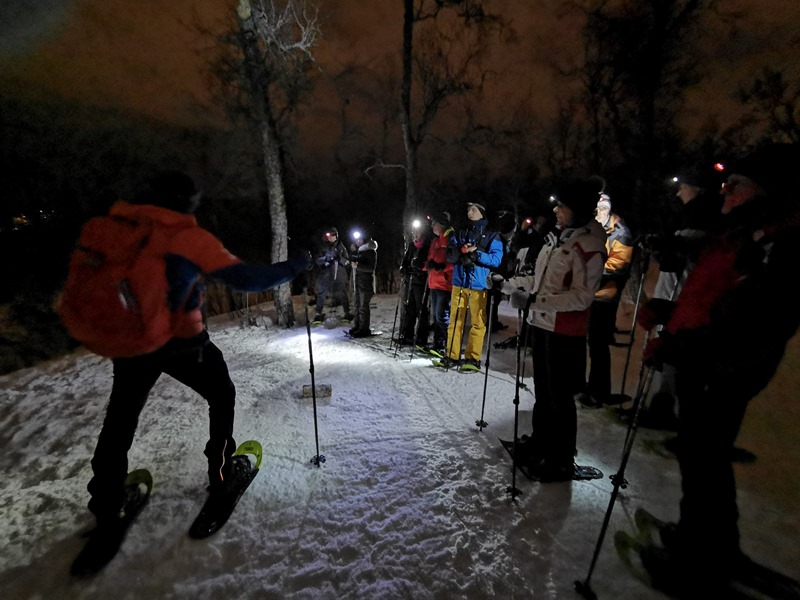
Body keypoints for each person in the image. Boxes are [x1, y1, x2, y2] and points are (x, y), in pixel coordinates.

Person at [74, 171, 311, 572]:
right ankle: (220, 478)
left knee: (121, 417)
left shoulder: (122, 225)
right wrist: (297, 264)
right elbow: (246, 279)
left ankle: (107, 502)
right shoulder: (183, 235)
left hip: (132, 343)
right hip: (183, 342)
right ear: (186, 203)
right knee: (222, 395)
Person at [635, 143, 800, 596]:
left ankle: (700, 563)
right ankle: (707, 541)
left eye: (735, 185)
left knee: (704, 456)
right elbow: (708, 301)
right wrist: (669, 312)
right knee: (699, 456)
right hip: (703, 357)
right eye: (724, 184)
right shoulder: (740, 233)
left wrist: (678, 343)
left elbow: (752, 320)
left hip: (722, 366)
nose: (724, 191)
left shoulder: (777, 241)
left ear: (764, 192)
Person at [502, 176, 607, 481]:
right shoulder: (558, 238)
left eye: (563, 206)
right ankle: (540, 443)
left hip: (565, 331)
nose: (557, 211)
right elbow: (539, 281)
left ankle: (561, 457)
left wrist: (533, 302)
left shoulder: (589, 245)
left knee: (560, 397)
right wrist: (509, 285)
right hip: (544, 325)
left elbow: (582, 297)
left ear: (578, 209)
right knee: (543, 391)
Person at [636, 166, 723, 430]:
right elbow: (676, 252)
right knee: (667, 346)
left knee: (674, 346)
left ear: (696, 189)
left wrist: (666, 248)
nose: (678, 192)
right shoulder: (691, 214)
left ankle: (668, 407)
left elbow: (688, 253)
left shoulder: (704, 214)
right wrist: (660, 247)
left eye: (683, 186)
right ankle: (662, 402)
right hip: (675, 292)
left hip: (683, 295)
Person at [578, 193, 634, 408]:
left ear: (609, 209)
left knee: (599, 344)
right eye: (596, 209)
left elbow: (618, 266)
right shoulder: (592, 229)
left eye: (602, 209)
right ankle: (587, 385)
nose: (599, 213)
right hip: (588, 294)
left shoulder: (621, 233)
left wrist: (588, 271)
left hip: (605, 295)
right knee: (587, 341)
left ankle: (599, 391)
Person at [434, 201, 503, 372]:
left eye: (473, 209)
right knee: (455, 320)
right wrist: (462, 253)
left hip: (479, 285)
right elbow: (449, 254)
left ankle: (473, 358)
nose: (469, 212)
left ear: (482, 212)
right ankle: (452, 355)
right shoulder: (461, 231)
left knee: (478, 322)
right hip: (459, 283)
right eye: (468, 209)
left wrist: (476, 255)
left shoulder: (492, 235)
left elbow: (496, 259)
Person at [422, 211, 454, 357]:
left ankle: (448, 345)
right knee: (436, 315)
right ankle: (438, 343)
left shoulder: (451, 239)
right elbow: (430, 260)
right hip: (434, 283)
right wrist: (423, 266)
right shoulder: (435, 241)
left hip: (445, 284)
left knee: (441, 315)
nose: (432, 226)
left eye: (434, 223)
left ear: (442, 224)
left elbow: (454, 261)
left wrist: (442, 267)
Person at [396, 225, 432, 347]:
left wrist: (420, 267)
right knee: (409, 309)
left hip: (421, 282)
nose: (415, 235)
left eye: (418, 232)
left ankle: (421, 338)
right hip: (410, 281)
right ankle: (408, 335)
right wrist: (403, 268)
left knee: (420, 310)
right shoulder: (412, 246)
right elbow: (406, 261)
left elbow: (428, 263)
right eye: (414, 232)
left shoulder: (427, 246)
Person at [488, 208, 518, 332]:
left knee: (495, 300)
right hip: (495, 273)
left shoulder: (502, 239)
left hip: (499, 272)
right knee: (492, 300)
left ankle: (492, 321)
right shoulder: (499, 239)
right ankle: (490, 322)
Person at [313, 227, 352, 324]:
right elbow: (317, 260)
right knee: (322, 293)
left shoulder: (341, 247)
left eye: (331, 236)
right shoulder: (324, 246)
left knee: (341, 292)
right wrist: (325, 259)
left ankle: (347, 313)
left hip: (338, 273)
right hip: (326, 273)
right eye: (328, 237)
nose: (329, 238)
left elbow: (346, 261)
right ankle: (318, 314)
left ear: (336, 236)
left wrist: (339, 259)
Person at [348, 233, 378, 337]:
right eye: (356, 239)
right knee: (356, 305)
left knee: (363, 307)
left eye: (360, 239)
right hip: (357, 283)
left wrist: (358, 266)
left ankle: (364, 329)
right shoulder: (358, 251)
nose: (358, 241)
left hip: (365, 284)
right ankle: (357, 326)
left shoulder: (370, 251)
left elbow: (370, 269)